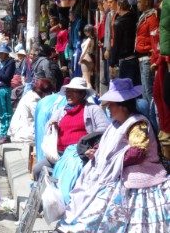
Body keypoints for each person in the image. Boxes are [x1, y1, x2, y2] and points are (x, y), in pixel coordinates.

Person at [57, 78, 169, 232]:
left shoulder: (138, 123)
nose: (108, 109)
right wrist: (96, 151)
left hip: (139, 175)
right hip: (116, 173)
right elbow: (107, 144)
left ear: (122, 105)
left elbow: (137, 153)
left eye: (111, 105)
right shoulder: (116, 124)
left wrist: (109, 159)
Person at [32, 77, 110, 180]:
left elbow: (104, 128)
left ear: (82, 94)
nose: (69, 94)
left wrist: (87, 142)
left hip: (79, 155)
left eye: (73, 91)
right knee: (37, 169)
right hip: (59, 155)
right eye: (68, 91)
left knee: (69, 177)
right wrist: (52, 125)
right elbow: (48, 126)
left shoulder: (93, 109)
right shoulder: (61, 111)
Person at [7, 78, 55, 143]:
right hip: (21, 131)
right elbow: (41, 119)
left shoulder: (30, 94)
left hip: (20, 128)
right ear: (45, 93)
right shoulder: (33, 100)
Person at [110, 0, 140, 84]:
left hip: (125, 59)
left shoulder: (118, 23)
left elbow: (117, 43)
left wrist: (112, 62)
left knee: (124, 88)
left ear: (119, 6)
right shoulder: (135, 18)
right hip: (136, 56)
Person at [136, 0, 159, 104]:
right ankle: (147, 117)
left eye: (140, 2)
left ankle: (152, 119)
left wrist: (154, 56)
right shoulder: (144, 17)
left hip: (147, 57)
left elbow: (154, 38)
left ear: (147, 2)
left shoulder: (151, 18)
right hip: (142, 56)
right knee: (144, 89)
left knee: (148, 90)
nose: (138, 4)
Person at [0, 43, 16, 139]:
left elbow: (6, 77)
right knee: (1, 111)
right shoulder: (2, 62)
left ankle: (5, 133)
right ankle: (4, 132)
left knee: (5, 112)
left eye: (1, 53)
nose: (0, 55)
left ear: (6, 54)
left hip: (3, 89)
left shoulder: (10, 63)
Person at [79, 25, 95, 89]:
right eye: (85, 31)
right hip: (89, 58)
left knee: (87, 82)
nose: (85, 32)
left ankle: (92, 95)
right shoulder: (91, 39)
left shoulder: (89, 40)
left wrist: (80, 60)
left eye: (87, 31)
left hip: (85, 59)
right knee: (85, 80)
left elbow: (84, 51)